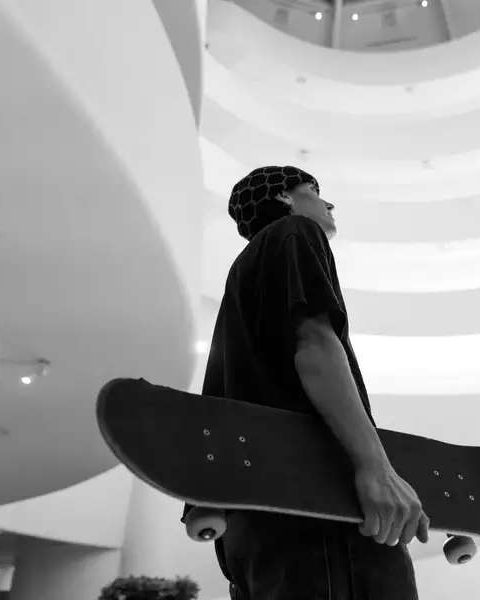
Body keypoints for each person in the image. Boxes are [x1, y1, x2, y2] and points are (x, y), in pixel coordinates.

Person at [180, 166, 429, 599]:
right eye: (314, 190)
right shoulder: (295, 233)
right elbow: (313, 345)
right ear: (284, 198)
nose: (327, 203)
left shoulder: (240, 275)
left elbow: (218, 400)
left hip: (257, 526)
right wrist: (376, 467)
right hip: (324, 509)